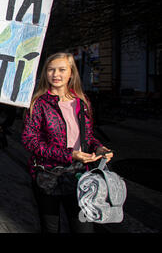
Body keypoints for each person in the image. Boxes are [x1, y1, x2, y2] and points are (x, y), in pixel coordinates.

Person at [21, 52, 113, 233]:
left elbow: (87, 136)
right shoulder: (38, 103)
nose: (56, 74)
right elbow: (29, 140)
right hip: (48, 177)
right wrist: (69, 154)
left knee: (84, 228)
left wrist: (99, 147)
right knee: (51, 228)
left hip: (80, 176)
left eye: (62, 69)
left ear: (71, 73)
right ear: (45, 73)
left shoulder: (82, 102)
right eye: (51, 70)